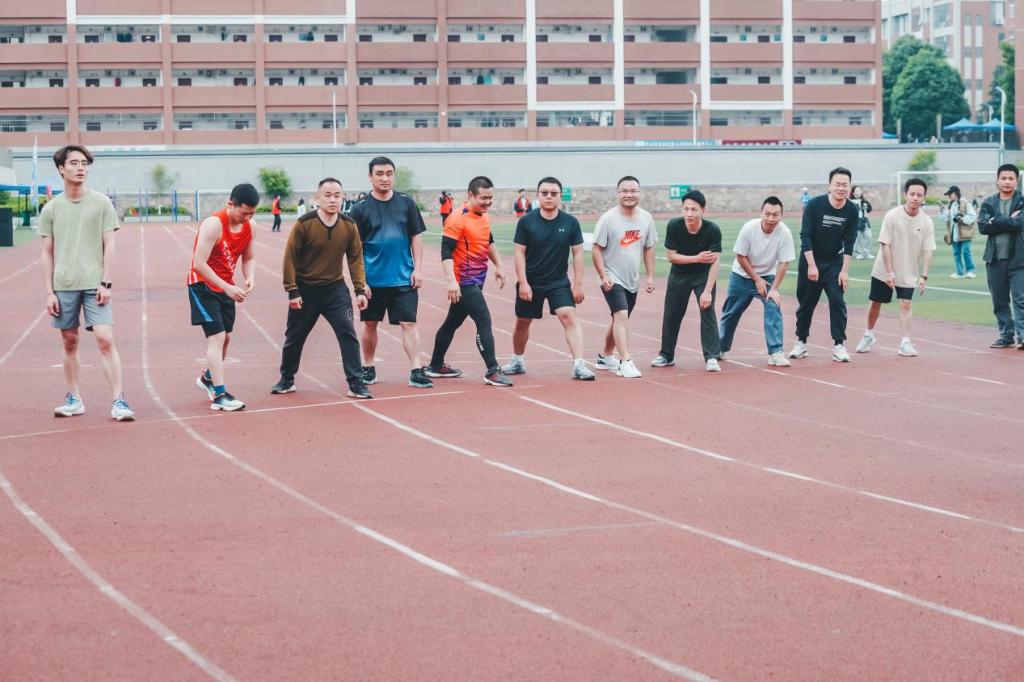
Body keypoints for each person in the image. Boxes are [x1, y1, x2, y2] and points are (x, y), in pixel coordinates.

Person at [40, 145, 134, 421]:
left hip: (95, 284)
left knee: (105, 339)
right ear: (61, 169)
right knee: (69, 341)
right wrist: (49, 292)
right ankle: (74, 398)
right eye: (74, 163)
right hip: (64, 285)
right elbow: (47, 252)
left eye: (84, 163)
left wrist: (106, 283)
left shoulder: (101, 203)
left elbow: (110, 243)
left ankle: (118, 400)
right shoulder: (52, 208)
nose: (81, 168)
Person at [272, 178, 371, 399]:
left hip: (335, 290)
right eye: (327, 195)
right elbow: (290, 258)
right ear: (317, 198)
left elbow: (355, 259)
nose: (333, 199)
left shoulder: (349, 225)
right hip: (305, 291)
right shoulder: (304, 224)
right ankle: (287, 379)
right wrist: (292, 290)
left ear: (342, 198)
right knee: (294, 337)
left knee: (347, 333)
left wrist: (359, 290)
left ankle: (356, 383)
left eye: (337, 195)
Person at [348, 156, 433, 387]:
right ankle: (368, 368)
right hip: (372, 282)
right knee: (370, 324)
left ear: (393, 176)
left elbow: (416, 237)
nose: (385, 178)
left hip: (403, 279)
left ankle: (416, 370)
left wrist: (418, 270)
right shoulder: (359, 209)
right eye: (379, 174)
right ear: (370, 177)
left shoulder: (407, 203)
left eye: (389, 173)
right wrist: (360, 282)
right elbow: (354, 249)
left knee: (409, 324)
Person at [502, 177, 595, 381]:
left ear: (560, 196)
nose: (549, 197)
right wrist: (523, 282)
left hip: (558, 282)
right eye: (544, 193)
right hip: (531, 281)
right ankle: (517, 360)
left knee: (568, 316)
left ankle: (579, 365)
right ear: (538, 195)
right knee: (522, 322)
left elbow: (578, 254)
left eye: (554, 193)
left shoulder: (571, 222)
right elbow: (519, 253)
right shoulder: (526, 221)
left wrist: (578, 285)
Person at [425, 176, 512, 387]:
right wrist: (451, 281)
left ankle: (435, 365)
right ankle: (492, 370)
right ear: (470, 195)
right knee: (483, 320)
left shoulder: (484, 215)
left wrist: (499, 266)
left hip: (477, 279)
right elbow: (446, 251)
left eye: (490, 198)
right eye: (484, 198)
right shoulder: (456, 219)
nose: (488, 202)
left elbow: (488, 241)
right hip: (464, 281)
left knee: (452, 323)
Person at [189, 183, 258, 411]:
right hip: (202, 285)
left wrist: (249, 277)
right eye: (243, 213)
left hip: (225, 286)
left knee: (226, 338)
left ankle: (208, 378)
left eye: (251, 214)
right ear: (231, 204)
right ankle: (219, 395)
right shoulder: (213, 225)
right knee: (217, 337)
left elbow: (249, 257)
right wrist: (227, 287)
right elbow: (199, 264)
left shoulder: (250, 227)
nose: (247, 218)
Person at [855, 178, 936, 357]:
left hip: (908, 271)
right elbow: (885, 244)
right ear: (906, 194)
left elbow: (928, 250)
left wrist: (924, 276)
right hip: (884, 268)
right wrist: (889, 272)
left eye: (919, 195)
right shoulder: (892, 215)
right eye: (912, 194)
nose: (915, 198)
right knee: (876, 302)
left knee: (906, 304)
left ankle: (905, 342)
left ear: (924, 197)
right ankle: (868, 334)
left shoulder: (926, 222)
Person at [788, 167, 859, 362]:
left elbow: (850, 241)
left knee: (837, 301)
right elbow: (805, 235)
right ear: (829, 185)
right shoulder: (814, 205)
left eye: (845, 185)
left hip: (834, 262)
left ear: (850, 186)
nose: (841, 188)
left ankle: (839, 345)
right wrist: (811, 265)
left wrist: (845, 271)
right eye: (837, 184)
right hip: (811, 260)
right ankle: (801, 342)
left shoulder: (852, 210)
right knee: (806, 303)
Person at [591, 175, 657, 378]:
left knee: (619, 317)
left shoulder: (646, 218)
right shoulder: (608, 219)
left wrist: (650, 276)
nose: (630, 194)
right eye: (625, 191)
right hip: (612, 277)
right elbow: (596, 248)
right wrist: (603, 275)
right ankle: (625, 361)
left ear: (639, 193)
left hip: (632, 279)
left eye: (634, 191)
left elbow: (649, 248)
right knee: (621, 315)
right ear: (617, 193)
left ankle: (605, 357)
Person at [718, 196, 795, 367]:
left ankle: (776, 352)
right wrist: (756, 279)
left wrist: (774, 288)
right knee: (731, 313)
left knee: (773, 306)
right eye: (767, 214)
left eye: (775, 215)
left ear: (781, 215)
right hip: (741, 275)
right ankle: (720, 348)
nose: (771, 218)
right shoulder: (749, 228)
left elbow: (784, 263)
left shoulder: (784, 233)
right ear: (761, 213)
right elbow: (740, 256)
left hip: (767, 277)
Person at [652, 189, 723, 372]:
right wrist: (697, 258)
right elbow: (671, 257)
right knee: (672, 314)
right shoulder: (674, 226)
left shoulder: (713, 230)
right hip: (679, 274)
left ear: (703, 211)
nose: (689, 214)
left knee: (707, 311)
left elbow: (715, 262)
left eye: (694, 209)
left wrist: (707, 291)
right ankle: (666, 355)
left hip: (703, 275)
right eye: (686, 209)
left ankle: (711, 357)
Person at [977, 163, 1024, 349]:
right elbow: (982, 227)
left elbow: (1019, 224)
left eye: (1011, 178)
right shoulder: (989, 202)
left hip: (1018, 260)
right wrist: (1009, 220)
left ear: (1016, 181)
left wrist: (995, 220)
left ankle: (1023, 336)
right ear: (997, 180)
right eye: (1003, 178)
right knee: (999, 300)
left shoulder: (1022, 201)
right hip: (994, 260)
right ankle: (1006, 335)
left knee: (1020, 299)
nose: (1007, 181)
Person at [943, 185, 977, 279]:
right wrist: (943, 210)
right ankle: (959, 272)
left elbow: (973, 216)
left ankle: (971, 271)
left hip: (965, 233)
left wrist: (962, 219)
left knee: (966, 251)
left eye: (950, 194)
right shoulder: (951, 205)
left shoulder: (965, 203)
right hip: (954, 233)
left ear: (955, 193)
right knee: (956, 253)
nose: (948, 196)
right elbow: (947, 219)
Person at [850, 185, 874, 259]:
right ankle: (859, 253)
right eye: (857, 190)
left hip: (864, 221)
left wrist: (865, 207)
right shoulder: (850, 202)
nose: (859, 192)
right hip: (855, 222)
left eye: (859, 190)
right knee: (858, 239)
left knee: (869, 236)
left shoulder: (864, 201)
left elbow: (870, 209)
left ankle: (866, 253)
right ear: (853, 193)